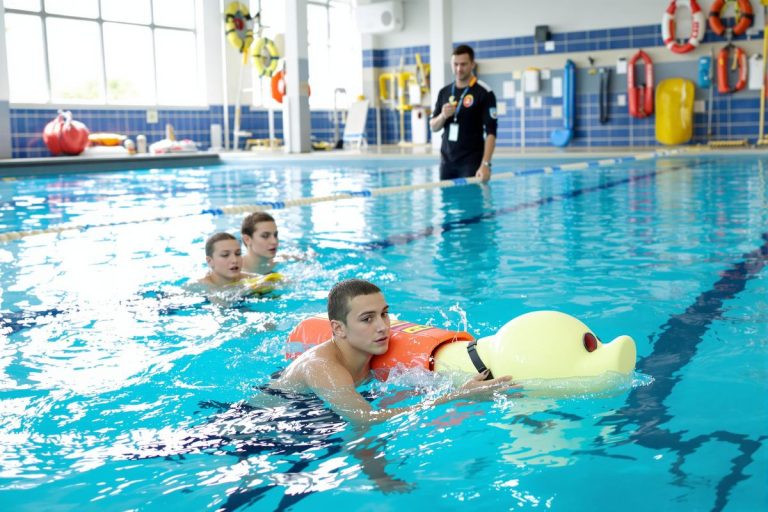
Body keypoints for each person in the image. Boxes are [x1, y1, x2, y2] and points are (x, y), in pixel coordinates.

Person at [270, 279, 514, 425]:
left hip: (318, 411)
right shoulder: (322, 367)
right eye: (367, 318)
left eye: (384, 314)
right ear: (338, 328)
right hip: (269, 420)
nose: (382, 327)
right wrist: (457, 396)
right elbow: (366, 419)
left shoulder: (368, 354)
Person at [430, 44, 498, 182]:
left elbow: (491, 132)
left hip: (471, 162)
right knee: (446, 197)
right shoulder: (444, 92)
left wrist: (485, 164)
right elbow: (433, 127)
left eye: (463, 64)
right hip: (446, 162)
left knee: (469, 197)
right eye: (455, 64)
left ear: (472, 64)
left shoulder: (484, 92)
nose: (459, 69)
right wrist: (443, 116)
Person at [193, 232, 280, 300]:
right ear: (210, 261)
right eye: (225, 255)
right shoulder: (196, 287)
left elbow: (280, 283)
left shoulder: (251, 279)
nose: (234, 260)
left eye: (238, 253)